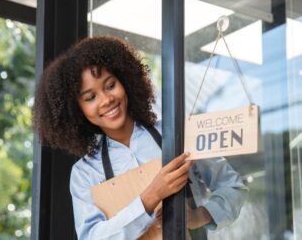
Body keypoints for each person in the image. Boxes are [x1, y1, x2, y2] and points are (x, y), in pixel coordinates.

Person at [34, 36, 248, 240]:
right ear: (77, 110)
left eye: (110, 85)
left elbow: (233, 185)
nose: (106, 100)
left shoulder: (176, 133)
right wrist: (150, 197)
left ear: (125, 81)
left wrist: (199, 216)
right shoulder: (86, 173)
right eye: (90, 97)